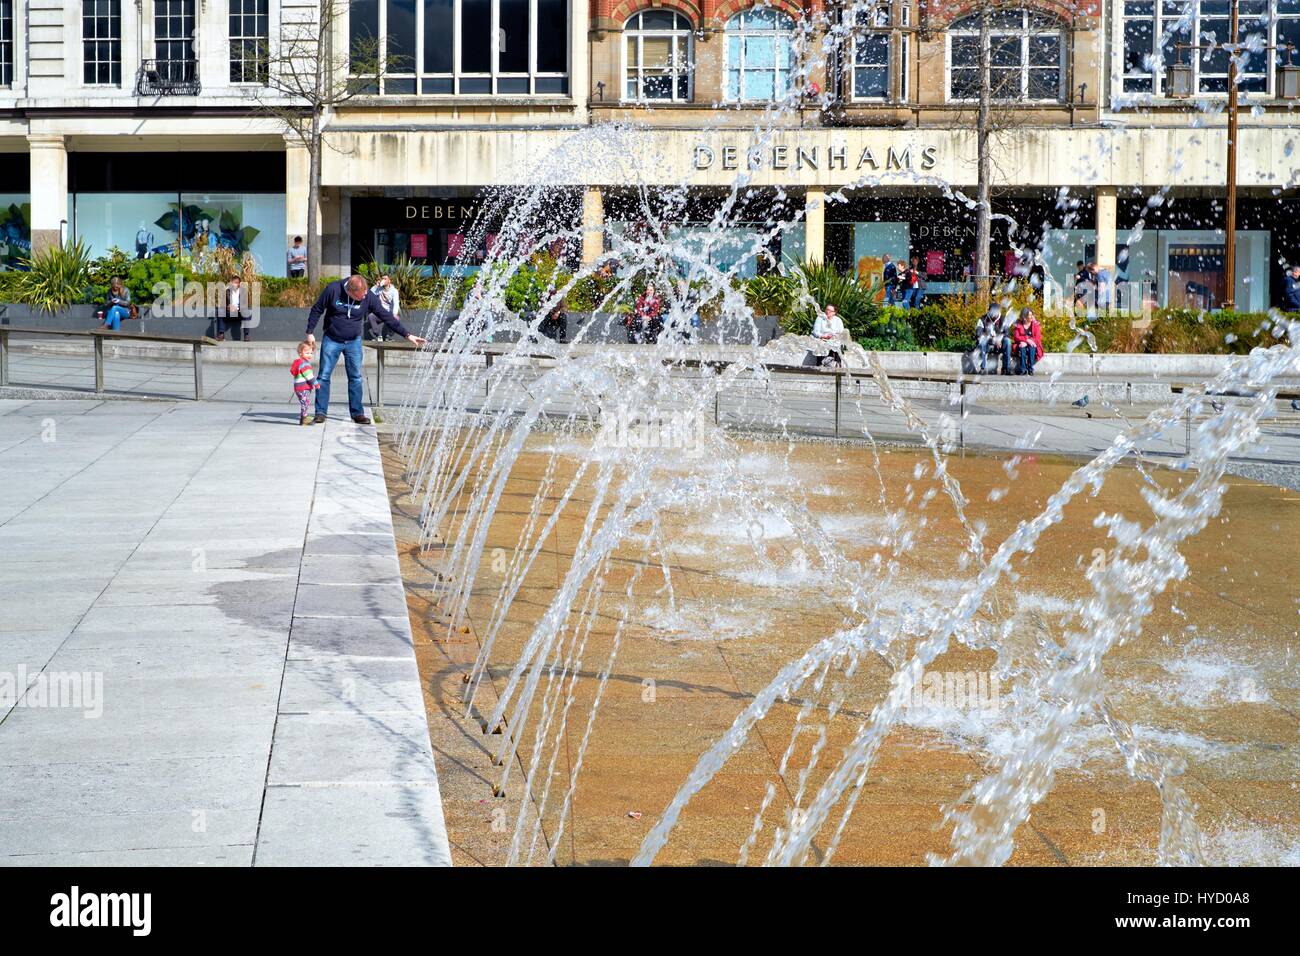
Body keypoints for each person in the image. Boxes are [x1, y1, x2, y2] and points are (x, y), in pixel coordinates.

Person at [305, 274, 427, 424]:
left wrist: (407, 335)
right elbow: (317, 309)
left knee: (356, 377)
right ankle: (320, 412)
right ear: (349, 291)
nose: (364, 298)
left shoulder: (368, 296)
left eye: (365, 294)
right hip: (332, 339)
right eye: (360, 296)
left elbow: (386, 315)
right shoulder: (333, 289)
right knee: (323, 376)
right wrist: (309, 332)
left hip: (353, 341)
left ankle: (357, 413)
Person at [976, 304, 1012, 375]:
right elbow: (978, 334)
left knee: (1007, 341)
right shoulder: (982, 319)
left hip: (1000, 345)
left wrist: (999, 339)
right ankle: (982, 368)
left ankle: (1006, 368)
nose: (994, 314)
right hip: (987, 345)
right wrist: (994, 340)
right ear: (988, 311)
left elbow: (1007, 333)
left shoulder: (1003, 319)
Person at [290, 340, 319, 426]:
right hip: (303, 387)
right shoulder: (304, 364)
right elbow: (309, 376)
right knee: (305, 402)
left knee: (305, 402)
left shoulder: (299, 362)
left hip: (299, 387)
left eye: (311, 353)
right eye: (307, 353)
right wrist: (316, 383)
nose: (310, 355)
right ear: (300, 353)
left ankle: (304, 417)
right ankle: (304, 419)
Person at [219, 275, 252, 342]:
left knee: (246, 312)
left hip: (240, 313)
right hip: (229, 313)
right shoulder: (227, 291)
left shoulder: (243, 292)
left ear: (239, 284)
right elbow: (222, 304)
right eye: (233, 282)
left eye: (236, 282)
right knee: (220, 311)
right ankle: (221, 335)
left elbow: (246, 304)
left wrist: (237, 309)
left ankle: (246, 335)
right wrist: (227, 307)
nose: (234, 284)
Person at [1012, 306, 1043, 376]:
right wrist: (1026, 340)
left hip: (1034, 344)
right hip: (1021, 344)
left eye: (1032, 315)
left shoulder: (1035, 324)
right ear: (1024, 317)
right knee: (1022, 347)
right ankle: (1023, 369)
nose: (1032, 317)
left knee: (1031, 347)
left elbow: (1038, 338)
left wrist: (1029, 341)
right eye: (1030, 315)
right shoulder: (1018, 324)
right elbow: (1016, 337)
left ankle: (1030, 368)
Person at [368, 272, 400, 340]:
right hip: (380, 312)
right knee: (371, 316)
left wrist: (394, 314)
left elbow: (396, 303)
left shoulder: (394, 291)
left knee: (396, 319)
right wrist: (376, 286)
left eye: (385, 279)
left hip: (389, 313)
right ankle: (378, 336)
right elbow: (369, 294)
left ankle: (389, 336)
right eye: (382, 279)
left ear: (389, 280)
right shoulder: (379, 289)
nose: (383, 280)